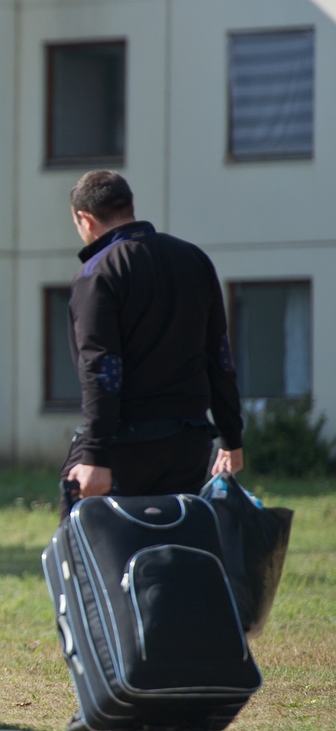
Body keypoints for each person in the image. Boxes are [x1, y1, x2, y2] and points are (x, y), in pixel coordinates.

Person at [60, 170, 244, 519]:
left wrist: (95, 456)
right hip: (189, 442)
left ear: (85, 218)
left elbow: (103, 369)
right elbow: (220, 357)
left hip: (124, 445)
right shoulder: (194, 259)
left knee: (91, 555)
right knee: (176, 551)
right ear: (129, 207)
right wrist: (232, 438)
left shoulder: (97, 273)